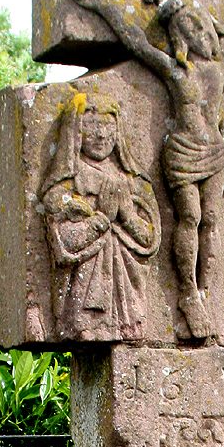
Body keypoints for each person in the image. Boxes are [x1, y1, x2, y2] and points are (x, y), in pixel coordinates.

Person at [70, 0, 224, 340]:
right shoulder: (177, 71)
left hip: (215, 152)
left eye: (202, 27)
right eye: (190, 29)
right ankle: (187, 291)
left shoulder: (220, 69)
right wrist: (102, 4)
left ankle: (204, 293)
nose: (200, 35)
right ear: (179, 36)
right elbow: (137, 43)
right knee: (189, 217)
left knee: (211, 219)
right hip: (182, 151)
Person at [41, 92, 161, 343]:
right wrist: (101, 219)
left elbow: (150, 240)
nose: (101, 135)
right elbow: (63, 243)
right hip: (82, 303)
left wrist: (127, 216)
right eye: (92, 126)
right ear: (76, 131)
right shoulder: (65, 186)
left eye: (108, 127)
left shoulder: (134, 182)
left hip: (129, 301)